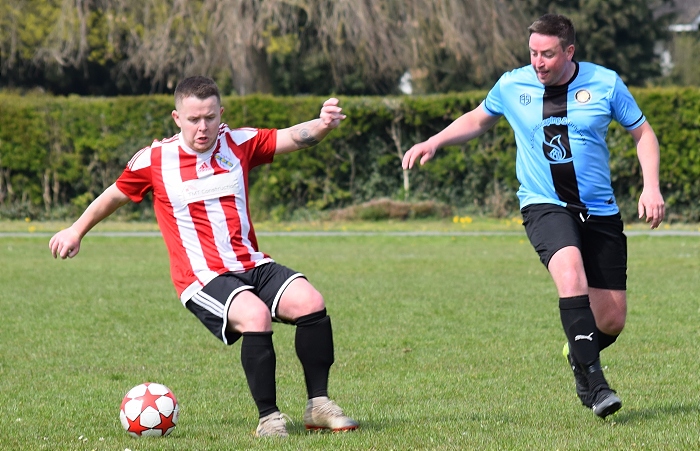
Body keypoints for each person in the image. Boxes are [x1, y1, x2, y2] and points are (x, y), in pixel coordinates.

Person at [49, 76, 359, 437]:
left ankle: (318, 405)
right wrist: (76, 230)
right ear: (176, 117)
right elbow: (115, 195)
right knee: (255, 315)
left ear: (220, 113)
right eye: (194, 119)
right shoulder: (155, 159)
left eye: (210, 117)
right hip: (201, 277)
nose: (203, 127)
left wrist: (322, 124)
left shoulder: (238, 142)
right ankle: (270, 419)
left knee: (310, 302)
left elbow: (292, 137)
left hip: (251, 263)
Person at [402, 14, 665, 419]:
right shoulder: (512, 84)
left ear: (569, 51)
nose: (538, 62)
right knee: (570, 273)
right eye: (533, 53)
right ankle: (595, 386)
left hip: (599, 212)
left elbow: (643, 133)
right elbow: (478, 118)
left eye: (547, 54)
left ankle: (578, 351)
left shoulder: (605, 83)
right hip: (543, 204)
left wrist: (651, 186)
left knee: (611, 319)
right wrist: (434, 141)